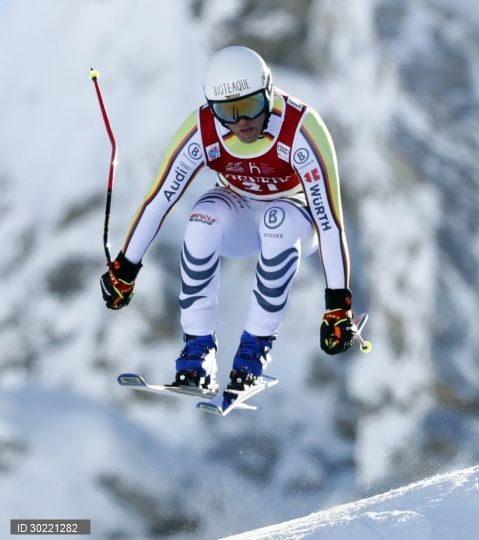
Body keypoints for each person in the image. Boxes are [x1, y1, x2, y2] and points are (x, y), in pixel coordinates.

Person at [100, 45, 358, 393]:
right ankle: (197, 355)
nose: (241, 123)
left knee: (277, 221)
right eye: (227, 111)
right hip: (240, 216)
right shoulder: (204, 130)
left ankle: (253, 354)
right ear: (211, 107)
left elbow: (330, 224)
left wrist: (337, 306)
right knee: (203, 217)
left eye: (250, 107)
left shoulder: (301, 130)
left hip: (298, 222)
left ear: (268, 93)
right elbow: (159, 200)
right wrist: (126, 269)